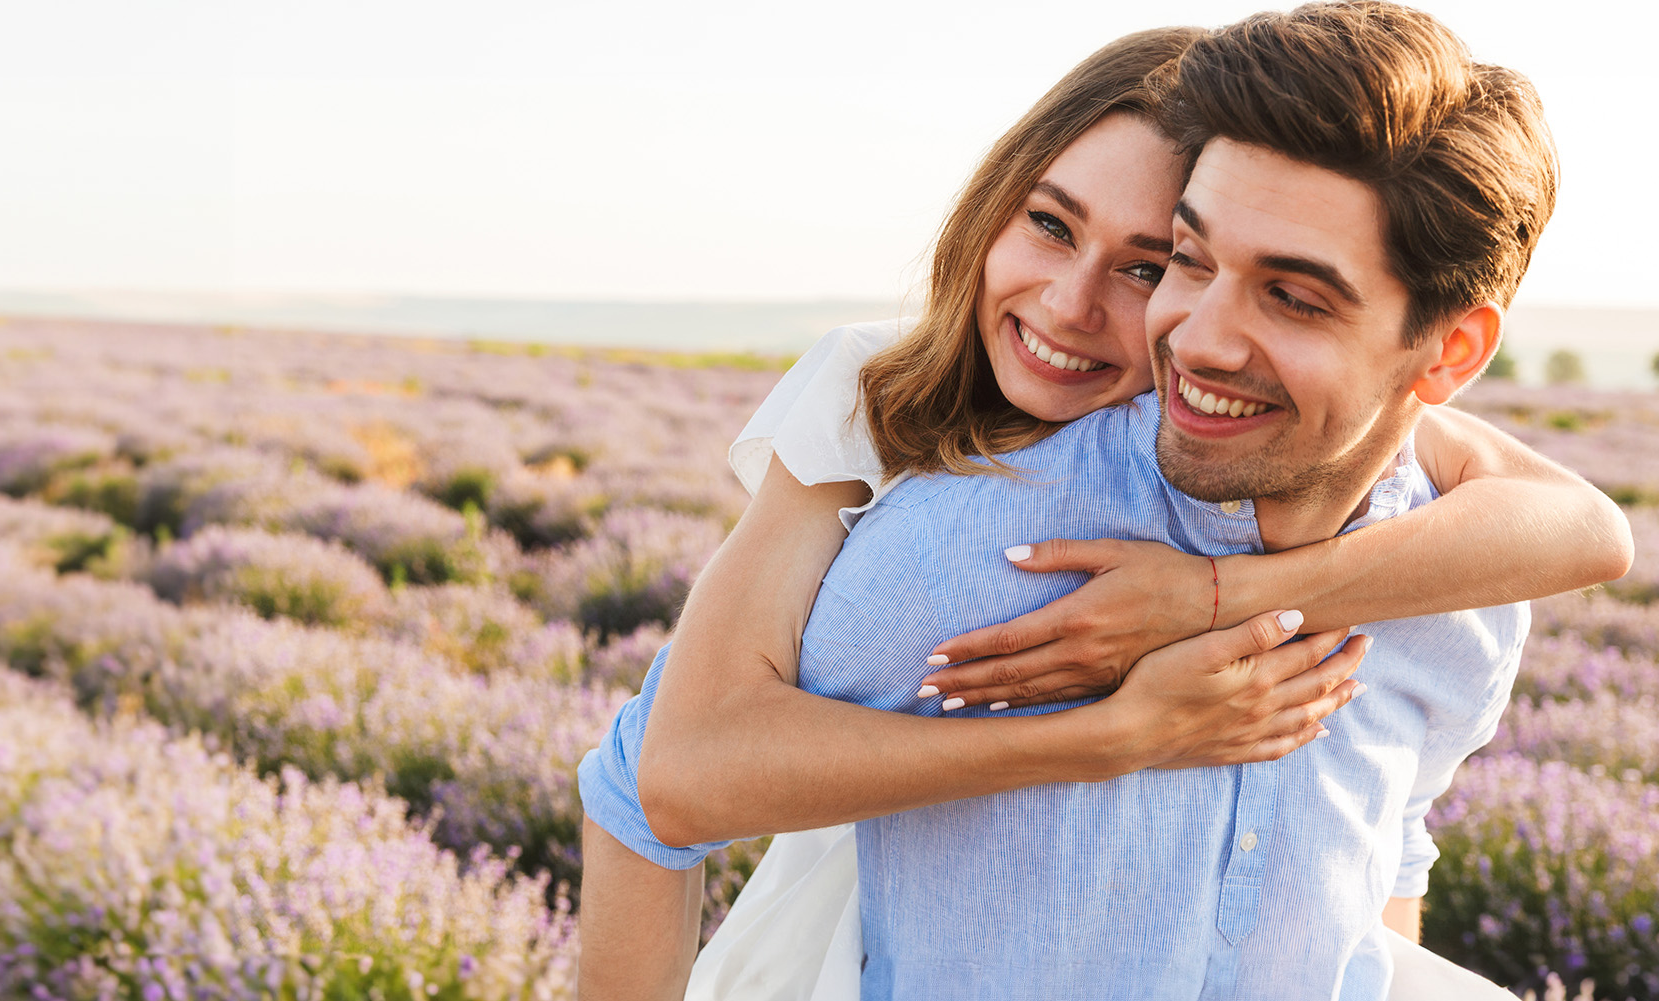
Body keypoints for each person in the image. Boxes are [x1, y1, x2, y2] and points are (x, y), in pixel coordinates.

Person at [577, 9, 1633, 1000]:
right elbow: (661, 774)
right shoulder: (906, 459)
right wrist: (1112, 735)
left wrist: (1223, 593)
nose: (1078, 306)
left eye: (1147, 261)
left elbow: (1570, 529)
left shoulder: (1421, 523)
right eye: (1051, 225)